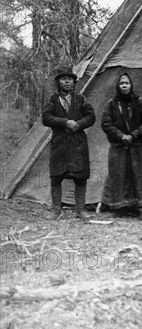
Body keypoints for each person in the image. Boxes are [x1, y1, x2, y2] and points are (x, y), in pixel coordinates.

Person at [42, 65, 96, 220]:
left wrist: (78, 124)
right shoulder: (52, 99)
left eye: (70, 79)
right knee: (56, 176)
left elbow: (91, 117)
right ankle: (56, 210)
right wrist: (65, 122)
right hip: (59, 143)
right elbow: (46, 118)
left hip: (77, 142)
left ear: (74, 82)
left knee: (80, 177)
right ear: (58, 82)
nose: (67, 82)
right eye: (63, 79)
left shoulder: (81, 99)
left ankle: (80, 210)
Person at [101, 73, 142, 220]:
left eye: (127, 83)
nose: (124, 86)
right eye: (122, 83)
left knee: (139, 175)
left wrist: (134, 134)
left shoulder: (139, 102)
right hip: (119, 146)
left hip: (137, 145)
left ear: (131, 85)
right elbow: (106, 123)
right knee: (119, 175)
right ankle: (121, 206)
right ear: (118, 86)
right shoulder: (112, 103)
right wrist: (121, 136)